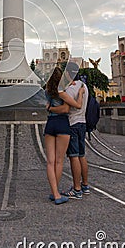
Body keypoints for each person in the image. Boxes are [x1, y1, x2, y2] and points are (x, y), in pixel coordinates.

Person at [44, 66, 85, 205]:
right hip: (62, 125)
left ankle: (54, 192)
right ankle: (56, 194)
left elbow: (48, 106)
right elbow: (73, 107)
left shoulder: (47, 92)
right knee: (59, 161)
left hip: (50, 124)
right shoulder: (62, 92)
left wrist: (49, 108)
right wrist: (80, 93)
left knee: (50, 162)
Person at [62, 67, 90, 199]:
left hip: (73, 123)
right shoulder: (84, 86)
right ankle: (85, 185)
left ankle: (76, 189)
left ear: (68, 74)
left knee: (74, 156)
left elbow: (66, 108)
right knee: (82, 156)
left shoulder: (69, 89)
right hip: (83, 122)